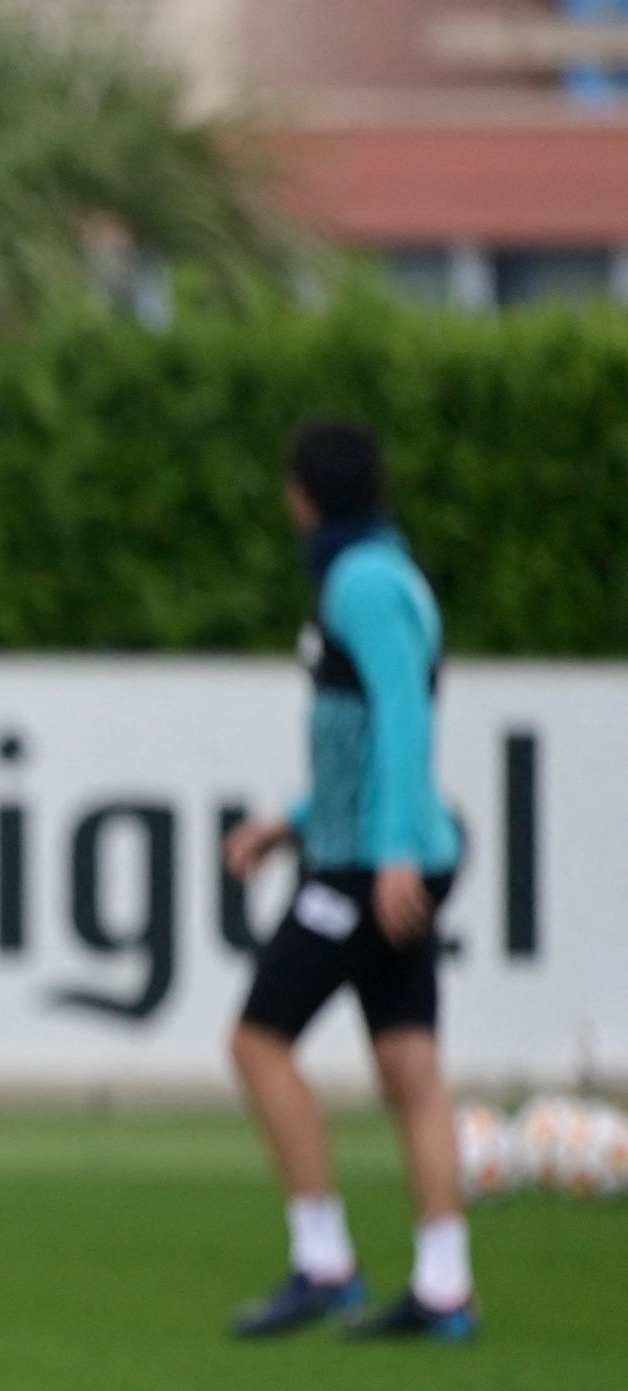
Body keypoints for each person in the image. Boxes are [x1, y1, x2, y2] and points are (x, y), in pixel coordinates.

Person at [222, 421, 469, 1341]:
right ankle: (445, 1286)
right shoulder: (378, 570)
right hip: (364, 846)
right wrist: (289, 819)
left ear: (303, 494)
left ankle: (322, 1260)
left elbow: (404, 714)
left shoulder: (361, 580)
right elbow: (360, 735)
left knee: (257, 1042)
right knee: (408, 1064)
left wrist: (395, 850)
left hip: (369, 865)